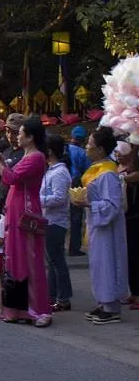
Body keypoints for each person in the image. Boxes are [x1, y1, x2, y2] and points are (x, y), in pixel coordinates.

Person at [0, 117, 52, 327]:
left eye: (20, 133)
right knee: (13, 260)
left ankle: (39, 310)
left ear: (30, 137)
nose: (16, 136)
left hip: (25, 214)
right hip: (15, 211)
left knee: (30, 260)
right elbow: (10, 177)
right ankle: (13, 309)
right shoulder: (26, 156)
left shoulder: (36, 157)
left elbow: (11, 179)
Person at [75, 127, 128, 324]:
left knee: (108, 263)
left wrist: (89, 204)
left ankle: (112, 306)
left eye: (90, 144)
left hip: (108, 228)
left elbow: (113, 205)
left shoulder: (107, 173)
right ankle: (103, 302)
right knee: (98, 264)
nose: (86, 147)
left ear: (100, 149)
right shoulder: (97, 168)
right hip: (96, 224)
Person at [41, 134, 73, 313]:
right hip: (49, 221)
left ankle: (63, 298)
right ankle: (52, 296)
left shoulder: (60, 172)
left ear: (50, 151)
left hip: (56, 222)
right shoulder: (51, 170)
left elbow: (59, 198)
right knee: (52, 261)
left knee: (57, 262)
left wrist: (38, 200)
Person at [115, 141, 139, 308]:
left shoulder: (133, 170)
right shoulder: (119, 168)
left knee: (135, 255)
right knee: (129, 256)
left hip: (135, 217)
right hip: (125, 217)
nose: (118, 155)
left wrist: (123, 177)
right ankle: (134, 292)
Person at [67, 126, 91, 256]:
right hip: (76, 185)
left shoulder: (65, 149)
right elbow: (87, 171)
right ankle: (74, 247)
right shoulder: (83, 153)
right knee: (76, 217)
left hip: (61, 182)